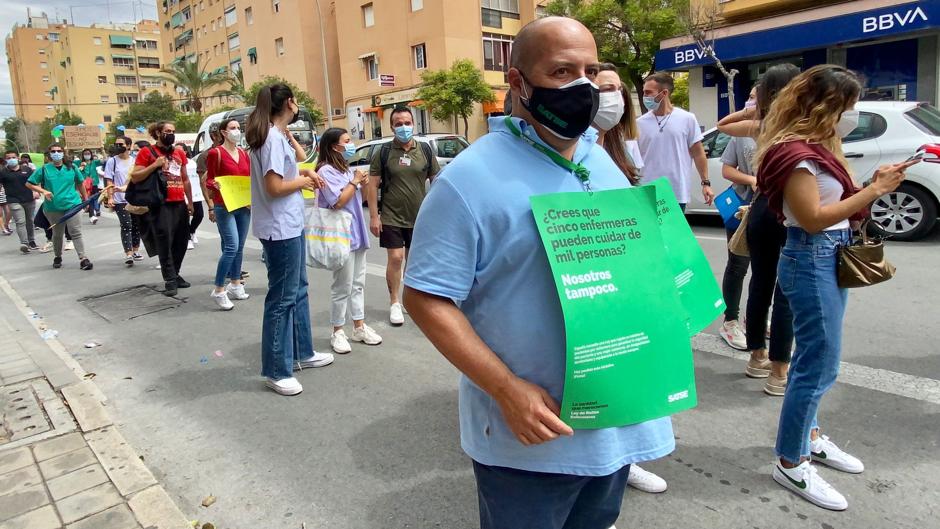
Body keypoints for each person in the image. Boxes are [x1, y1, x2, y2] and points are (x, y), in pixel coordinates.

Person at [403, 17, 675, 529]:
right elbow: (424, 298)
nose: (583, 87)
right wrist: (507, 389)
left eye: (590, 71)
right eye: (561, 71)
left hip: (616, 422)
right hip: (529, 440)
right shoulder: (467, 180)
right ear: (518, 82)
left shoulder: (602, 163)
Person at [756, 64, 912, 511]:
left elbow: (832, 205)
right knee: (818, 365)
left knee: (815, 360)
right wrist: (875, 191)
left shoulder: (817, 147)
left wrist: (872, 184)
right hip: (812, 256)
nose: (853, 115)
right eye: (849, 106)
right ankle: (791, 460)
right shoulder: (794, 154)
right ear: (825, 106)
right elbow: (812, 218)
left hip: (827, 254)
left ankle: (809, 435)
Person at [246, 83, 333, 396]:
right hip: (279, 228)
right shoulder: (270, 138)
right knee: (282, 298)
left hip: (289, 224)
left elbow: (285, 177)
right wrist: (304, 181)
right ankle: (276, 370)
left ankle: (302, 352)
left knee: (299, 291)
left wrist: (303, 176)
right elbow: (275, 187)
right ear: (290, 103)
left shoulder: (275, 135)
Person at [719, 63, 800, 394]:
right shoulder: (803, 124)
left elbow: (723, 125)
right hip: (792, 208)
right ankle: (779, 372)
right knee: (786, 291)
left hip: (762, 208)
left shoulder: (762, 125)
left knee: (760, 283)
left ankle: (757, 357)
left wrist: (754, 107)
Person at [367, 106, 440, 326]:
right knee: (396, 258)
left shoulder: (424, 150)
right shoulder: (383, 152)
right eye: (398, 124)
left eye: (407, 123)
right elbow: (372, 186)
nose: (404, 127)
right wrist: (374, 217)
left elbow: (437, 181)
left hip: (419, 216)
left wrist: (439, 212)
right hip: (391, 216)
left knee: (413, 260)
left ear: (413, 124)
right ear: (391, 127)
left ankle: (410, 299)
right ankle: (394, 302)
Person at [315, 128, 383, 352]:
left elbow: (357, 200)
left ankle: (359, 326)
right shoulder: (325, 171)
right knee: (342, 286)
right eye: (346, 141)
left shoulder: (344, 169)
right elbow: (337, 202)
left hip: (356, 233)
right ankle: (337, 331)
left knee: (358, 284)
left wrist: (362, 185)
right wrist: (354, 182)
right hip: (340, 236)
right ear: (335, 147)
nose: (351, 144)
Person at [716, 87, 759, 352]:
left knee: (767, 270)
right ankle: (730, 320)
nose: (750, 100)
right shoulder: (742, 133)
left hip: (774, 211)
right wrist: (751, 179)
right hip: (743, 208)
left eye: (755, 97)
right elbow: (727, 169)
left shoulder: (785, 129)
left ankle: (756, 319)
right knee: (738, 264)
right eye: (750, 96)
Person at [131, 121, 194, 297]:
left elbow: (185, 178)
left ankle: (175, 273)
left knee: (181, 241)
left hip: (179, 202)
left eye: (173, 131)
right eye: (167, 131)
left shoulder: (179, 153)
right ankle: (170, 279)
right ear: (158, 133)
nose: (171, 134)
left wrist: (190, 202)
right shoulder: (147, 152)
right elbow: (135, 177)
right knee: (165, 242)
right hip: (160, 204)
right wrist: (154, 165)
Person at [637, 72, 714, 209]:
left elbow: (698, 153)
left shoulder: (687, 119)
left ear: (664, 93)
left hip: (676, 191)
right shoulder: (639, 123)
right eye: (644, 92)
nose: (645, 96)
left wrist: (705, 183)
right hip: (647, 191)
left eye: (648, 92)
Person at [205, 118, 251, 311]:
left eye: (238, 128)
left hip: (243, 204)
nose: (237, 131)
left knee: (239, 247)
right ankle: (219, 289)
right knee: (231, 246)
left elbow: (249, 177)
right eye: (233, 128)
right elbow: (209, 180)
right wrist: (214, 185)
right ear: (223, 132)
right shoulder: (215, 153)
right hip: (224, 205)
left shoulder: (244, 153)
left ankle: (235, 284)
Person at [26, 145, 93, 270]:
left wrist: (86, 200)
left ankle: (83, 258)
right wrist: (43, 191)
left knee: (75, 232)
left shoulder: (72, 167)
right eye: (53, 151)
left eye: (59, 151)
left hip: (73, 204)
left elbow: (80, 183)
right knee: (57, 234)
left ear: (63, 152)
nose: (56, 153)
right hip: (53, 207)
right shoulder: (44, 169)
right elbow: (29, 183)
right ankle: (58, 256)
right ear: (49, 154)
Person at [593, 63, 641, 186]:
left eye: (619, 90)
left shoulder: (619, 150)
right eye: (608, 89)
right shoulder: (570, 150)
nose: (617, 97)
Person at [103, 136, 143, 266]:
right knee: (126, 225)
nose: (118, 146)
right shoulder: (112, 161)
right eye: (116, 144)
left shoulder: (135, 161)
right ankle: (128, 253)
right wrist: (110, 197)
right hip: (119, 199)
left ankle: (136, 250)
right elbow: (109, 180)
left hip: (134, 198)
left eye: (121, 144)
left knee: (136, 225)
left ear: (129, 146)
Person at [1, 150, 39, 253]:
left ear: (18, 158)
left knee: (29, 221)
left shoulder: (27, 169)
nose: (11, 159)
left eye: (13, 157)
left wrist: (36, 192)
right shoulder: (3, 172)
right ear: (5, 160)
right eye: (8, 158)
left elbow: (34, 182)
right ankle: (24, 243)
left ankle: (31, 241)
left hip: (29, 198)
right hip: (13, 200)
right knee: (20, 221)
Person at [176, 143, 204, 249]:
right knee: (185, 217)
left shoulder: (192, 163)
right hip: (181, 194)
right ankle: (187, 238)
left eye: (180, 150)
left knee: (199, 214)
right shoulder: (173, 163)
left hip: (195, 193)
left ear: (185, 152)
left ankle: (192, 231)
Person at [78, 148, 103, 223]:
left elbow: (104, 161)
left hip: (94, 183)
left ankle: (91, 211)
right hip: (84, 184)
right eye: (85, 154)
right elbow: (71, 165)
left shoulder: (94, 162)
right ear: (83, 155)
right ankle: (92, 215)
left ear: (91, 154)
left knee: (92, 198)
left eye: (88, 153)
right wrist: (81, 167)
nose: (87, 155)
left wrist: (103, 151)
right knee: (89, 199)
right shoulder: (79, 162)